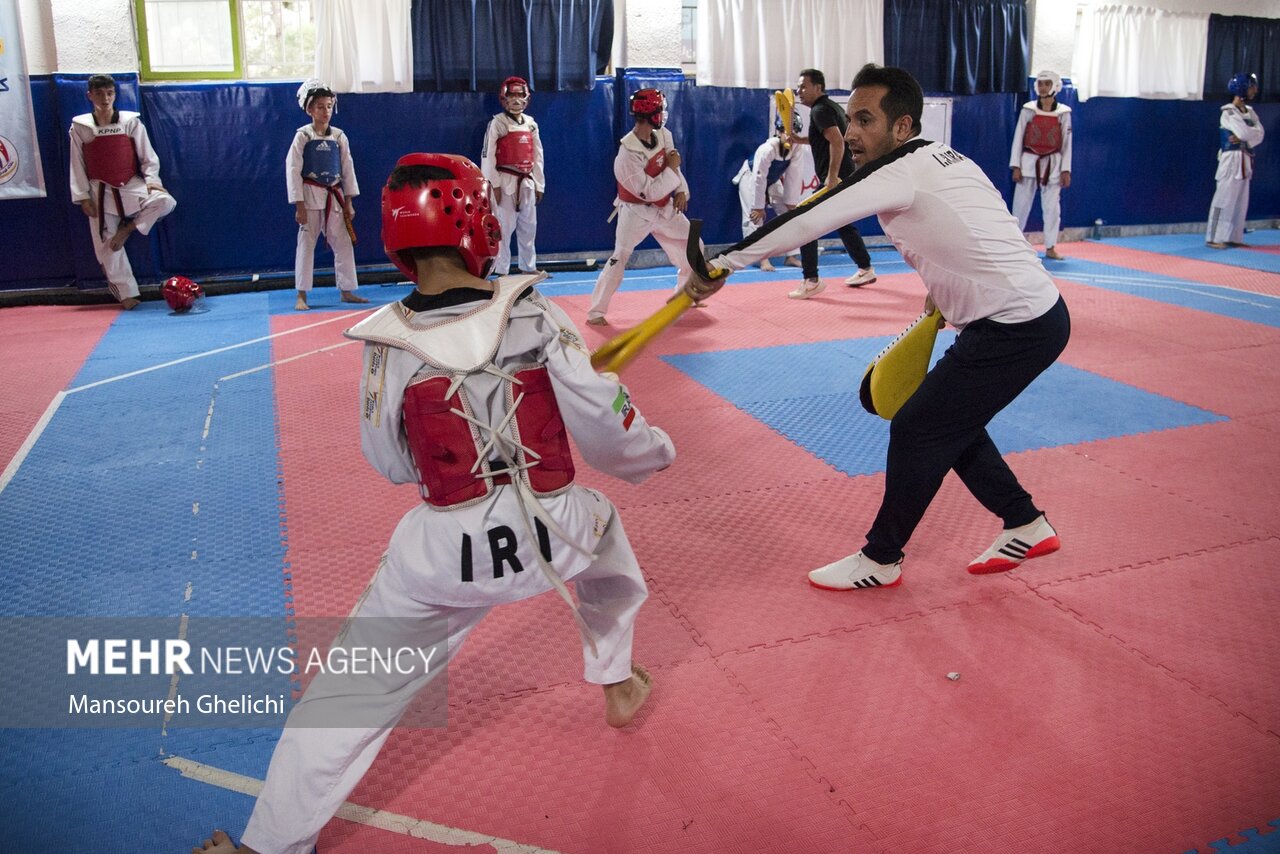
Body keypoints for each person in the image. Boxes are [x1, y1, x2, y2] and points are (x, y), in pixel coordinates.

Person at [194, 153, 672, 854]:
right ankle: (615, 677)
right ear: (477, 224)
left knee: (347, 696)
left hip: (445, 553)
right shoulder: (535, 314)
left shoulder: (388, 344)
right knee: (607, 539)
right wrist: (657, 451)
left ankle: (267, 846)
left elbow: (387, 461)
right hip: (555, 533)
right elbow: (608, 427)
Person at [686, 64, 1070, 590]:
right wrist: (944, 290)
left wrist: (723, 264)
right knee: (947, 420)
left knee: (918, 426)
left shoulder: (897, 170)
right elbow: (978, 223)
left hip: (1016, 326)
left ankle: (882, 558)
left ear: (902, 127)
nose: (849, 132)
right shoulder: (946, 157)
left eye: (864, 120)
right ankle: (1024, 521)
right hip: (1025, 315)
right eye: (849, 118)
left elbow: (813, 216)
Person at [68, 74, 177, 310]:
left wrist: (152, 181)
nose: (105, 98)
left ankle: (128, 228)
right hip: (99, 190)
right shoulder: (80, 127)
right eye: (99, 93)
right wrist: (83, 196)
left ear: (115, 94)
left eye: (109, 93)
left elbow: (148, 157)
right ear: (90, 96)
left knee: (164, 201)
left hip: (129, 184)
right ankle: (126, 293)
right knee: (106, 243)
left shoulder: (130, 122)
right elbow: (76, 163)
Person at [586, 88, 693, 325]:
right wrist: (673, 170)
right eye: (661, 111)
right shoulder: (626, 155)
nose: (664, 115)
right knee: (619, 258)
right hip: (636, 213)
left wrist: (681, 190)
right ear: (651, 114)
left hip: (665, 209)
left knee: (693, 245)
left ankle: (684, 295)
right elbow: (651, 190)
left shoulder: (664, 135)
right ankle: (596, 312)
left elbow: (673, 165)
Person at [786, 68, 877, 300]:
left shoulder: (819, 110)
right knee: (844, 224)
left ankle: (811, 280)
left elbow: (837, 141)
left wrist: (832, 176)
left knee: (803, 220)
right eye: (798, 87)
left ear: (818, 87)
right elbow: (825, 138)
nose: (799, 91)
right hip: (847, 176)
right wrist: (799, 140)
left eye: (803, 86)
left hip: (837, 178)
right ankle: (865, 268)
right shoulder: (830, 107)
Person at [286, 79, 368, 310]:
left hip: (335, 194)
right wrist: (299, 205)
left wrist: (349, 202)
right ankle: (301, 295)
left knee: (342, 242)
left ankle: (347, 290)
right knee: (306, 243)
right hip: (310, 193)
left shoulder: (339, 137)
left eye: (329, 106)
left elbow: (347, 169)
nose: (326, 111)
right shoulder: (303, 136)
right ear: (310, 109)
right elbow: (292, 170)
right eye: (320, 106)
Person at [733, 102, 817, 272]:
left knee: (789, 215)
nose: (790, 136)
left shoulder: (797, 148)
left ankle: (791, 256)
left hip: (772, 180)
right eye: (786, 132)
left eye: (794, 132)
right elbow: (759, 177)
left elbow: (794, 176)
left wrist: (791, 201)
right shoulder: (767, 149)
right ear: (779, 131)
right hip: (750, 178)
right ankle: (761, 259)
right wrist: (759, 206)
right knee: (755, 217)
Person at [481, 76, 545, 275]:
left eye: (520, 95)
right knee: (504, 228)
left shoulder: (531, 124)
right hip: (505, 180)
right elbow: (488, 154)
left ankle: (529, 267)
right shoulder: (497, 123)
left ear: (526, 97)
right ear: (504, 98)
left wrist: (539, 184)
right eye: (512, 95)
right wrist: (493, 184)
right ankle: (501, 270)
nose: (516, 100)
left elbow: (538, 155)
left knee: (529, 227)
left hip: (527, 181)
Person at [1010, 70, 1073, 261]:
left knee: (1052, 209)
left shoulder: (1064, 113)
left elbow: (1067, 143)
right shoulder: (1028, 109)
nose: (1043, 87)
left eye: (1047, 83)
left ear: (1055, 86)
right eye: (1040, 84)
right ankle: (1015, 246)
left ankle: (1050, 246)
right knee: (1020, 206)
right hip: (1028, 162)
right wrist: (1016, 166)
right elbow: (1018, 138)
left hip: (1052, 165)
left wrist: (1065, 169)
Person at [1206, 72, 1264, 249]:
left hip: (1245, 160)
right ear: (1242, 89)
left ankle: (1234, 237)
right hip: (1231, 160)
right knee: (1223, 199)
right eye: (1251, 87)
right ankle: (1214, 237)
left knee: (1240, 200)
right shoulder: (1228, 112)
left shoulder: (1250, 113)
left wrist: (1245, 136)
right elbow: (1246, 133)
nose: (1254, 90)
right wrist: (1247, 135)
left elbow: (1260, 134)